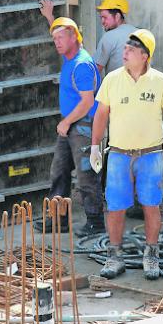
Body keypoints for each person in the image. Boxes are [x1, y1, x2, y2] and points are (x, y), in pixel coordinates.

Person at [89, 29, 163, 280]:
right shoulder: (112, 79)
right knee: (116, 206)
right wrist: (95, 146)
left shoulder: (159, 81)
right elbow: (101, 114)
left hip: (151, 155)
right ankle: (114, 256)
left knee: (151, 205)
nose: (124, 53)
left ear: (144, 56)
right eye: (125, 49)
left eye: (130, 50)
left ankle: (151, 254)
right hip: (119, 155)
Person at [33, 17, 106, 237]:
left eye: (61, 37)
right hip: (71, 125)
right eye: (54, 38)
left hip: (82, 125)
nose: (56, 42)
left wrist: (65, 122)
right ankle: (58, 219)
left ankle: (95, 222)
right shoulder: (70, 58)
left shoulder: (82, 65)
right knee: (59, 170)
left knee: (86, 174)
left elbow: (87, 102)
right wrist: (50, 16)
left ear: (74, 37)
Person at [39, 0, 138, 74]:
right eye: (101, 18)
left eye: (105, 17)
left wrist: (50, 17)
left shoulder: (109, 37)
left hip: (118, 94)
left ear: (117, 16)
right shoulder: (138, 33)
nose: (102, 22)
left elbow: (92, 72)